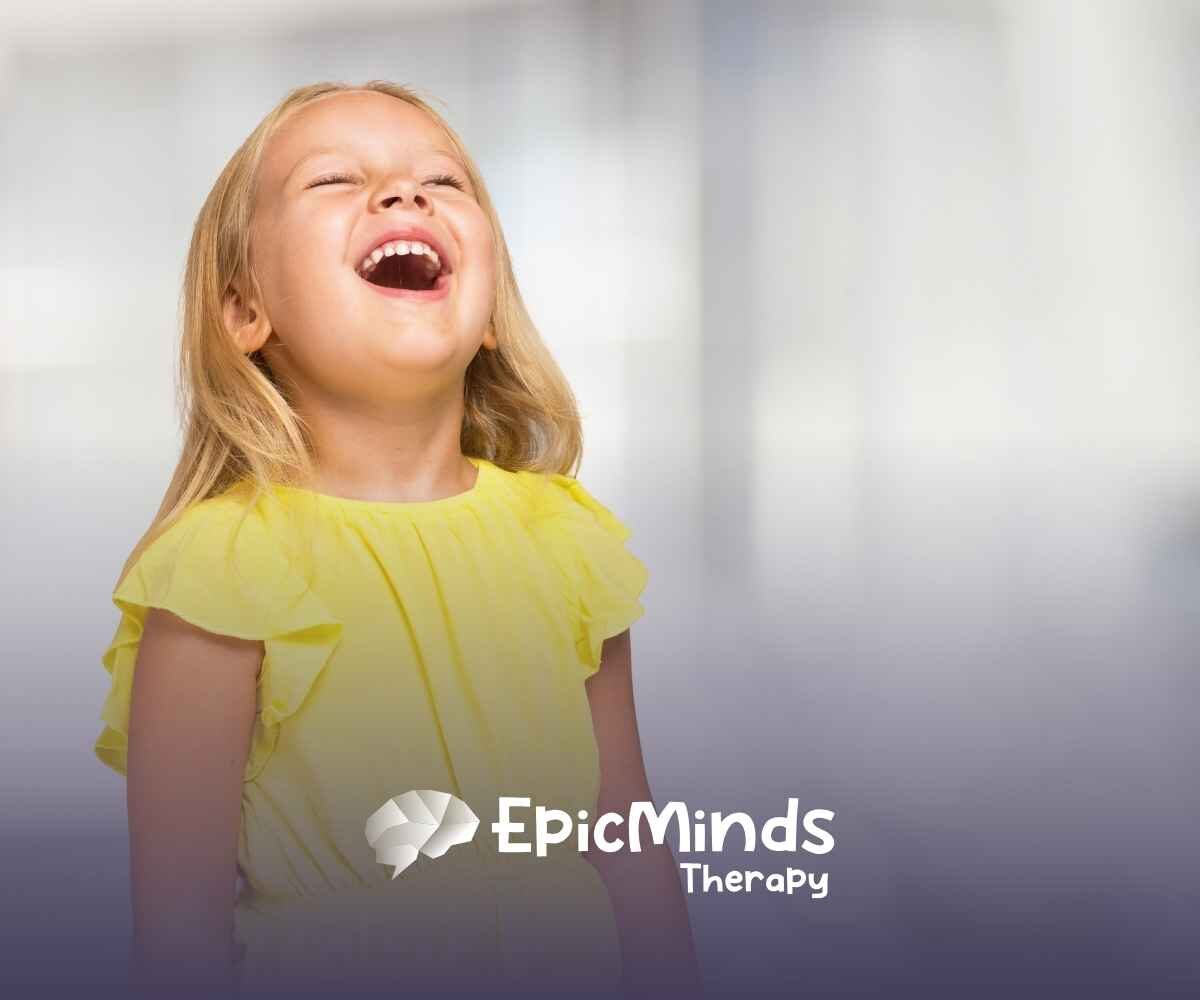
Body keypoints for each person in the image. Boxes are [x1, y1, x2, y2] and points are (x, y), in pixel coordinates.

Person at [92, 80, 701, 998]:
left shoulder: (568, 545)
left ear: (490, 312)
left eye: (444, 184)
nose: (404, 195)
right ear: (244, 310)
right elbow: (177, 939)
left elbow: (630, 850)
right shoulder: (223, 569)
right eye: (335, 178)